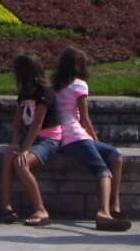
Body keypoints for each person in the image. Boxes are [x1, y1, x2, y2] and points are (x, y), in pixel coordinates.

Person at [51, 46, 130, 231]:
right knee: (103, 171)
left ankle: (114, 206)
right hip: (75, 135)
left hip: (63, 137)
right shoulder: (79, 85)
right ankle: (103, 214)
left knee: (116, 156)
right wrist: (93, 138)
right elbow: (84, 118)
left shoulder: (54, 85)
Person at [0, 52, 62, 227]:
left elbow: (37, 123)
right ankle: (6, 207)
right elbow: (19, 118)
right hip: (29, 136)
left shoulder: (45, 92)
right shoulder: (25, 91)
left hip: (48, 138)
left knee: (21, 164)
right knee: (7, 157)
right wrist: (14, 141)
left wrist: (25, 150)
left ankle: (41, 210)